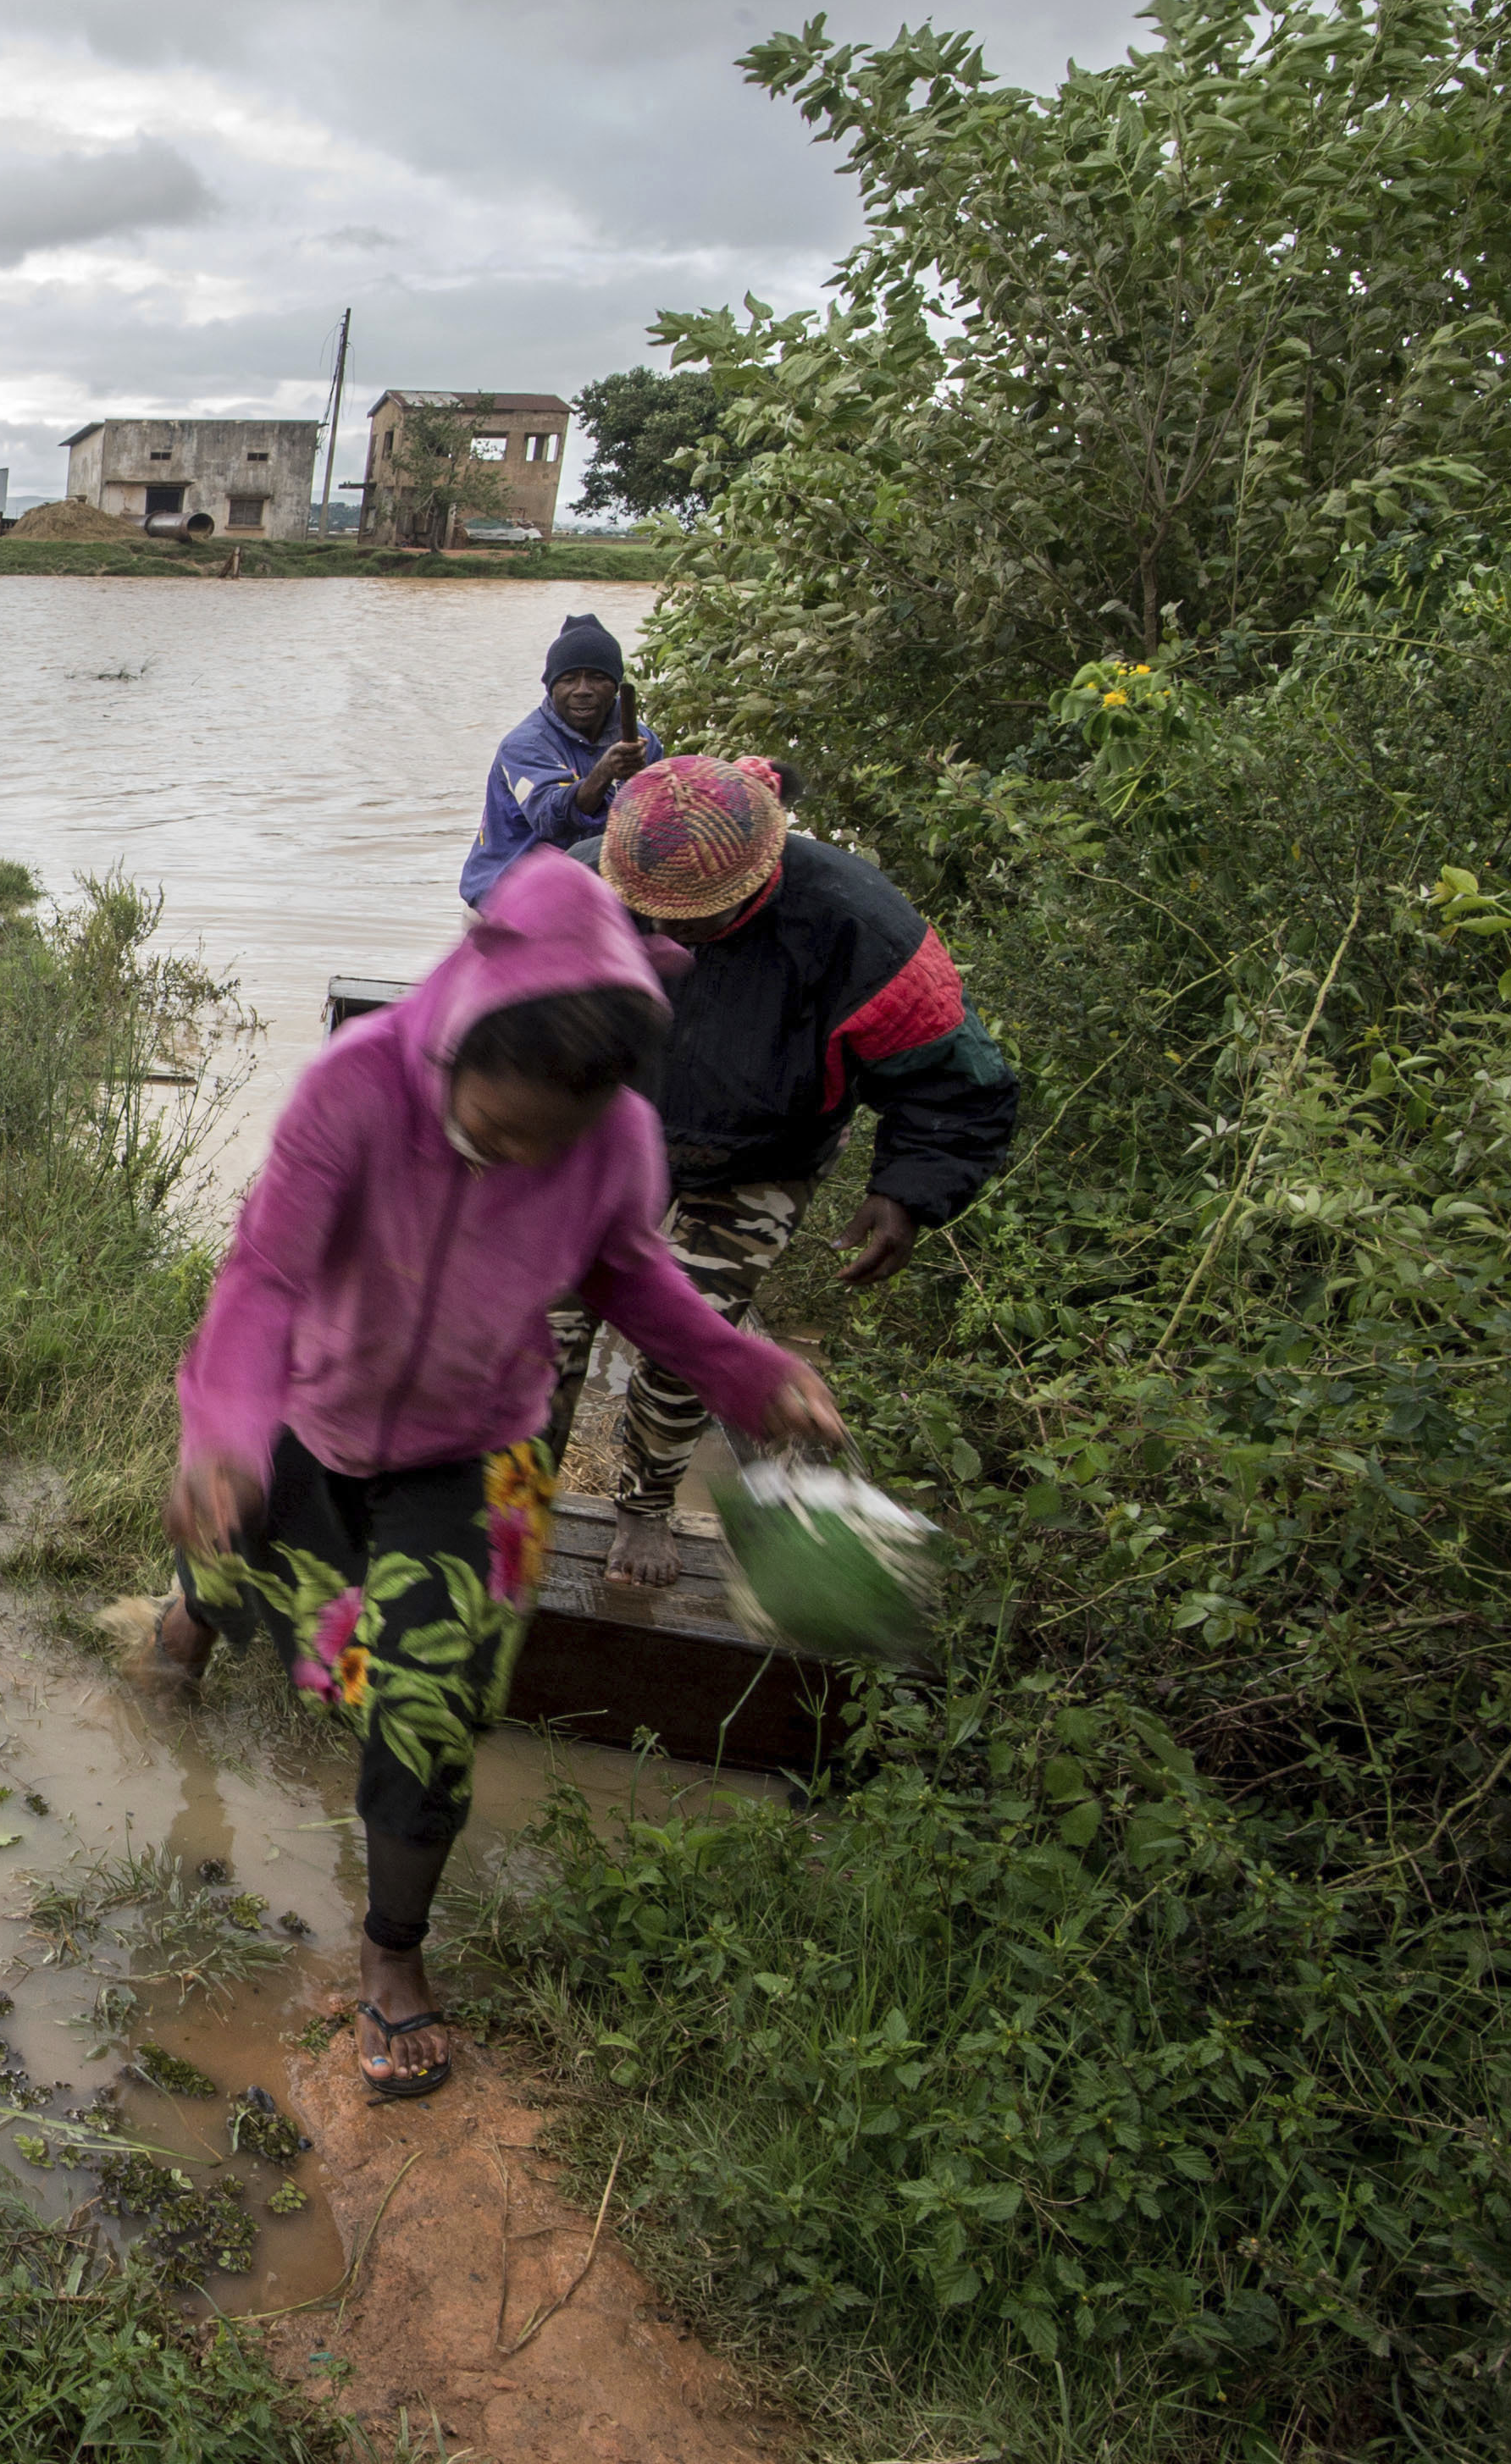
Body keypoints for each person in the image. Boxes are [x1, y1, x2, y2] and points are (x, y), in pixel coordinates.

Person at [161, 850, 844, 2099]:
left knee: (429, 1700)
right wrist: (225, 1430)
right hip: (308, 1415)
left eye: (543, 1140)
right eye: (490, 1119)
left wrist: (749, 1372)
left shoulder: (616, 1139)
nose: (506, 1150)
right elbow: (262, 1279)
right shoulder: (354, 1089)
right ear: (460, 1036)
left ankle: (391, 1956)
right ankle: (190, 1623)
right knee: (228, 1547)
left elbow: (632, 1274)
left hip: (477, 1448)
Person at [545, 754, 1020, 1585]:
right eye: (654, 915)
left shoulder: (855, 925)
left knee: (688, 1341)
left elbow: (953, 1075)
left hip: (756, 1157)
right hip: (594, 1141)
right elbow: (487, 1028)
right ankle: (513, 1496)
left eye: (696, 917)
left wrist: (905, 1191)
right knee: (537, 1334)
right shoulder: (578, 892)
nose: (673, 932)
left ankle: (644, 1505)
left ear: (760, 874)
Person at [457, 610, 645, 906]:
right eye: (569, 679)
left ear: (616, 687)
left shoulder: (639, 739)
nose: (582, 691)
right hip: (509, 899)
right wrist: (606, 771)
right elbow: (552, 818)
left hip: (591, 892)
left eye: (597, 678)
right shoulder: (525, 745)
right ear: (551, 687)